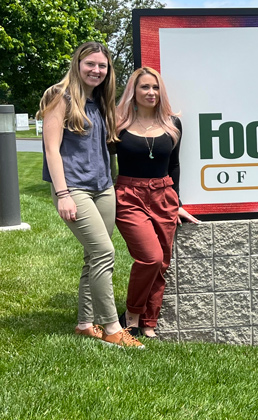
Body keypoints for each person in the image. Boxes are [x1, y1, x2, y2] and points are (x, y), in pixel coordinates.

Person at [38, 41, 144, 349]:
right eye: (90, 64)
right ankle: (112, 327)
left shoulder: (99, 101)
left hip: (103, 186)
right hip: (75, 188)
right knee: (104, 253)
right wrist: (63, 194)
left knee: (93, 255)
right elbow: (51, 150)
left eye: (102, 66)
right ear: (78, 64)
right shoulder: (60, 97)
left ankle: (85, 324)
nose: (96, 70)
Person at [114, 67, 199, 339]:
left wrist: (178, 203)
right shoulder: (118, 123)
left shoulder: (172, 124)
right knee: (150, 258)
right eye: (144, 87)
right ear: (133, 92)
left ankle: (149, 320)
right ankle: (132, 314)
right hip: (128, 195)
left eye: (155, 88)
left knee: (162, 262)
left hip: (164, 195)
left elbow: (174, 165)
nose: (151, 93)